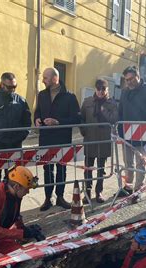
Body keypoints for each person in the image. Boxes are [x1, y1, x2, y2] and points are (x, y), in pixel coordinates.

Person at [34, 68, 81, 211]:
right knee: (47, 169)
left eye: (46, 78)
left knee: (61, 168)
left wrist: (58, 122)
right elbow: (37, 111)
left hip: (62, 138)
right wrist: (36, 119)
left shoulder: (69, 96)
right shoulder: (41, 95)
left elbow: (77, 119)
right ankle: (48, 198)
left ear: (55, 78)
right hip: (46, 139)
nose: (43, 80)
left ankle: (60, 197)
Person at [117, 66, 146, 203]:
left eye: (131, 79)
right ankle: (128, 187)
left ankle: (138, 191)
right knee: (128, 163)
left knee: (140, 163)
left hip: (143, 135)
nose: (129, 82)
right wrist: (120, 131)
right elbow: (121, 111)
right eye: (127, 80)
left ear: (138, 76)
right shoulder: (125, 92)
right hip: (126, 134)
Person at [80, 79, 118, 203]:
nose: (101, 92)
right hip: (90, 138)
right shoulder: (87, 102)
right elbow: (81, 118)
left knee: (101, 169)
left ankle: (98, 192)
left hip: (103, 139)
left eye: (103, 89)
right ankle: (87, 191)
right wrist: (84, 131)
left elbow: (114, 119)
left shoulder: (111, 104)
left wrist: (104, 110)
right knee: (88, 168)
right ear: (95, 89)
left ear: (107, 90)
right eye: (98, 89)